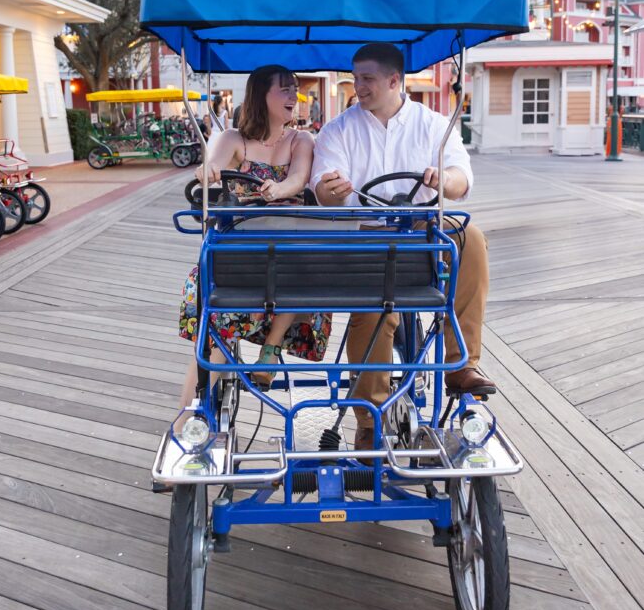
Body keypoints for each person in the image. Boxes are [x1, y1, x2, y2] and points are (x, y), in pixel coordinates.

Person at [310, 41, 493, 456]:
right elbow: (322, 188)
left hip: (422, 235)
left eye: (367, 79)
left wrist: (441, 180)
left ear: (395, 81)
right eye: (355, 79)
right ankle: (368, 418)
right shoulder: (339, 130)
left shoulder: (433, 124)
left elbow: (461, 180)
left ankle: (462, 365)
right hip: (367, 241)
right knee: (372, 313)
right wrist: (330, 190)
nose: (358, 87)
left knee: (470, 237)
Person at [178, 64, 329, 406]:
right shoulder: (234, 139)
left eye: (294, 88)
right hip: (243, 241)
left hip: (287, 239)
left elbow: (298, 179)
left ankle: (271, 348)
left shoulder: (301, 139)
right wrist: (208, 172)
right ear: (262, 94)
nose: (294, 95)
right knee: (212, 338)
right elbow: (212, 166)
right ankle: (186, 420)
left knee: (304, 261)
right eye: (285, 89)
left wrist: (279, 189)